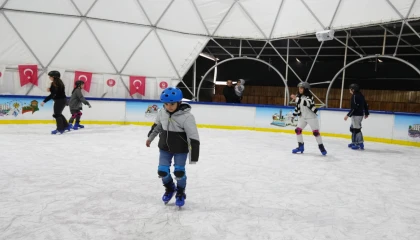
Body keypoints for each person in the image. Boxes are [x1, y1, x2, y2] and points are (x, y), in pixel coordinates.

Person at [146, 87, 200, 207]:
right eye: (166, 104)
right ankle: (170, 188)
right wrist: (150, 138)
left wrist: (194, 156)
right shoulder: (162, 112)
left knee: (179, 172)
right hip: (165, 147)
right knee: (162, 171)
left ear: (179, 102)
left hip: (180, 150)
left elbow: (193, 136)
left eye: (172, 104)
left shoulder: (187, 117)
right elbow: (157, 126)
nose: (169, 106)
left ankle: (180, 192)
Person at [291, 82, 327, 155]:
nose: (300, 89)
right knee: (298, 130)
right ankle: (300, 146)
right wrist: (293, 115)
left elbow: (307, 103)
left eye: (301, 88)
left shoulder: (310, 97)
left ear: (306, 89)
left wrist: (296, 98)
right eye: (299, 88)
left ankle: (321, 147)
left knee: (316, 132)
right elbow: (298, 107)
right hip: (302, 117)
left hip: (311, 117)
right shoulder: (299, 97)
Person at [345, 83, 369, 150]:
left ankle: (359, 143)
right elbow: (365, 104)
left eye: (350, 89)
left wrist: (347, 115)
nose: (349, 90)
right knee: (353, 128)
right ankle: (354, 142)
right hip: (359, 115)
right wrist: (366, 113)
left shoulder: (354, 96)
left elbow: (354, 108)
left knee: (356, 129)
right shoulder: (361, 95)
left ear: (353, 89)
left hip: (356, 115)